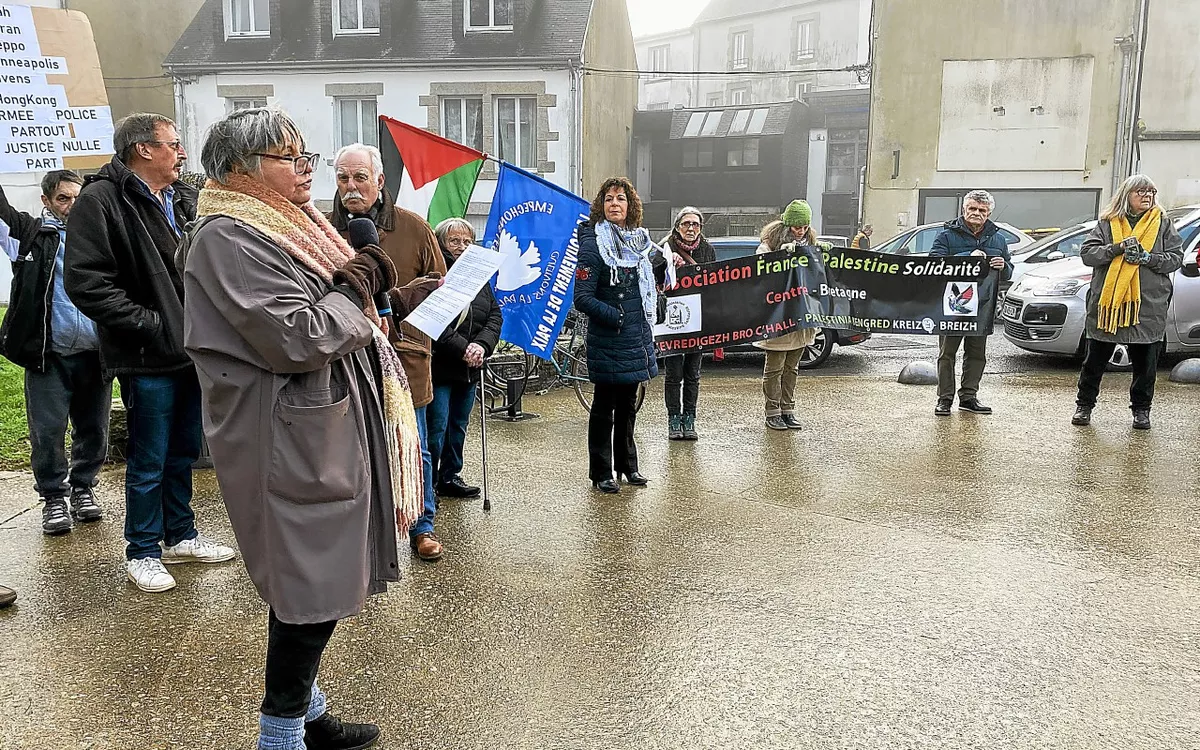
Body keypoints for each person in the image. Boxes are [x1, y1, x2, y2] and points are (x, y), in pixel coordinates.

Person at [180, 107, 433, 750]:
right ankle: (283, 732)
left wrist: (385, 296)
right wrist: (358, 288)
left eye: (303, 154)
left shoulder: (285, 226)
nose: (303, 168)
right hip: (284, 429)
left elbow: (328, 304)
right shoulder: (227, 238)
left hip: (319, 417)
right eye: (286, 156)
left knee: (316, 578)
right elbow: (298, 335)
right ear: (240, 170)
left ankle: (307, 712)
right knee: (309, 584)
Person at [64, 113, 235, 594]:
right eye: (174, 145)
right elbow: (87, 282)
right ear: (143, 149)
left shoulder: (180, 199)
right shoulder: (101, 199)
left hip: (191, 350)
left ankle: (179, 535)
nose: (181, 153)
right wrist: (153, 325)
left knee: (183, 450)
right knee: (149, 456)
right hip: (147, 354)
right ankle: (142, 549)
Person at [329, 144, 448, 562]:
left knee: (415, 444)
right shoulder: (324, 230)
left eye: (360, 177)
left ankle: (423, 525)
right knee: (352, 450)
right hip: (347, 359)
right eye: (343, 178)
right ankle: (362, 534)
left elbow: (440, 288)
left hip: (404, 356)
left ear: (380, 181)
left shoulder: (413, 228)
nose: (351, 187)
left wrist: (392, 302)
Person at [1, 171, 109, 535]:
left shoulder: (100, 237)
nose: (72, 205)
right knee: (47, 432)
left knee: (94, 429)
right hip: (48, 355)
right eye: (63, 198)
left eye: (78, 197)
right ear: (46, 201)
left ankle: (83, 490)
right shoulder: (31, 237)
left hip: (95, 354)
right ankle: (53, 499)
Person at [1073, 175, 1182, 430]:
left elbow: (1175, 258)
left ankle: (1141, 411)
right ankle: (1084, 406)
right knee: (1094, 362)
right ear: (1127, 195)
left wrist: (1147, 257)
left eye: (1151, 192)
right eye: (1141, 192)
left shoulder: (1163, 224)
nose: (1147, 196)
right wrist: (1116, 249)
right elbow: (1088, 255)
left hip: (1147, 306)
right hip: (1108, 307)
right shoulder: (1107, 224)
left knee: (1146, 365)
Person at [575, 178, 662, 494]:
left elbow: (646, 288)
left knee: (628, 407)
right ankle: (601, 472)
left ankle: (628, 466)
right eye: (609, 199)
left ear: (630, 206)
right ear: (602, 205)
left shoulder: (639, 243)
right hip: (609, 338)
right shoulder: (593, 245)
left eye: (621, 199)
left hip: (636, 339)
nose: (615, 203)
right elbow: (582, 297)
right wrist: (617, 316)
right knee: (604, 408)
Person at [427, 218, 503, 499]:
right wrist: (463, 348)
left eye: (467, 241)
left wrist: (482, 345)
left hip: (470, 366)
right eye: (454, 241)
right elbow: (434, 321)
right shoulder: (435, 273)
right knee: (437, 426)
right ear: (441, 243)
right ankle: (429, 480)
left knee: (458, 424)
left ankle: (450, 475)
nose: (461, 247)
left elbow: (495, 315)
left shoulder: (479, 275)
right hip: (442, 365)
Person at [929, 190, 1012, 416]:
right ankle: (944, 398)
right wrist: (966, 256)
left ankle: (969, 397)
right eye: (972, 209)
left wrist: (1003, 266)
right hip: (951, 304)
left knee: (976, 354)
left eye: (982, 210)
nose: (976, 213)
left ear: (989, 213)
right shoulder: (946, 236)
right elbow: (934, 264)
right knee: (947, 354)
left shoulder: (998, 239)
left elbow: (1008, 272)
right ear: (964, 209)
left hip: (982, 306)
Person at [755, 200, 822, 431]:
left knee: (792, 367)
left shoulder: (812, 243)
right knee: (774, 367)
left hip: (801, 317)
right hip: (778, 316)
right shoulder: (770, 244)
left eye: (804, 226)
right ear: (787, 225)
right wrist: (778, 259)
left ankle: (788, 409)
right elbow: (759, 270)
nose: (800, 231)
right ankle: (772, 411)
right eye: (796, 226)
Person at [658, 206, 715, 440]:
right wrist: (666, 262)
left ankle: (689, 418)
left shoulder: (707, 249)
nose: (691, 228)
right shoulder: (665, 246)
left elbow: (714, 280)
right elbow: (653, 276)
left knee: (693, 374)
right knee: (673, 375)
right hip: (674, 321)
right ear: (677, 227)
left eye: (695, 224)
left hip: (698, 321)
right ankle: (673, 419)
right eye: (686, 224)